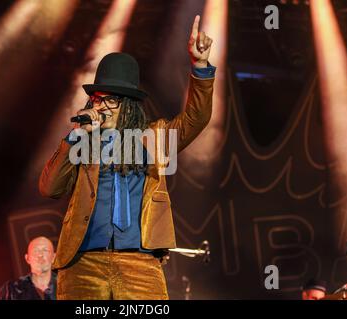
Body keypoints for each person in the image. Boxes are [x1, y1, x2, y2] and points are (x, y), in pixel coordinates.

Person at [39, 14, 215, 300]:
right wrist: (74, 136)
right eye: (97, 99)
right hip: (83, 262)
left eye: (111, 99)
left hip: (140, 263)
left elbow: (196, 119)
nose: (102, 106)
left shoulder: (154, 138)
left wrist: (200, 66)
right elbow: (49, 188)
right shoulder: (83, 143)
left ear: (128, 106)